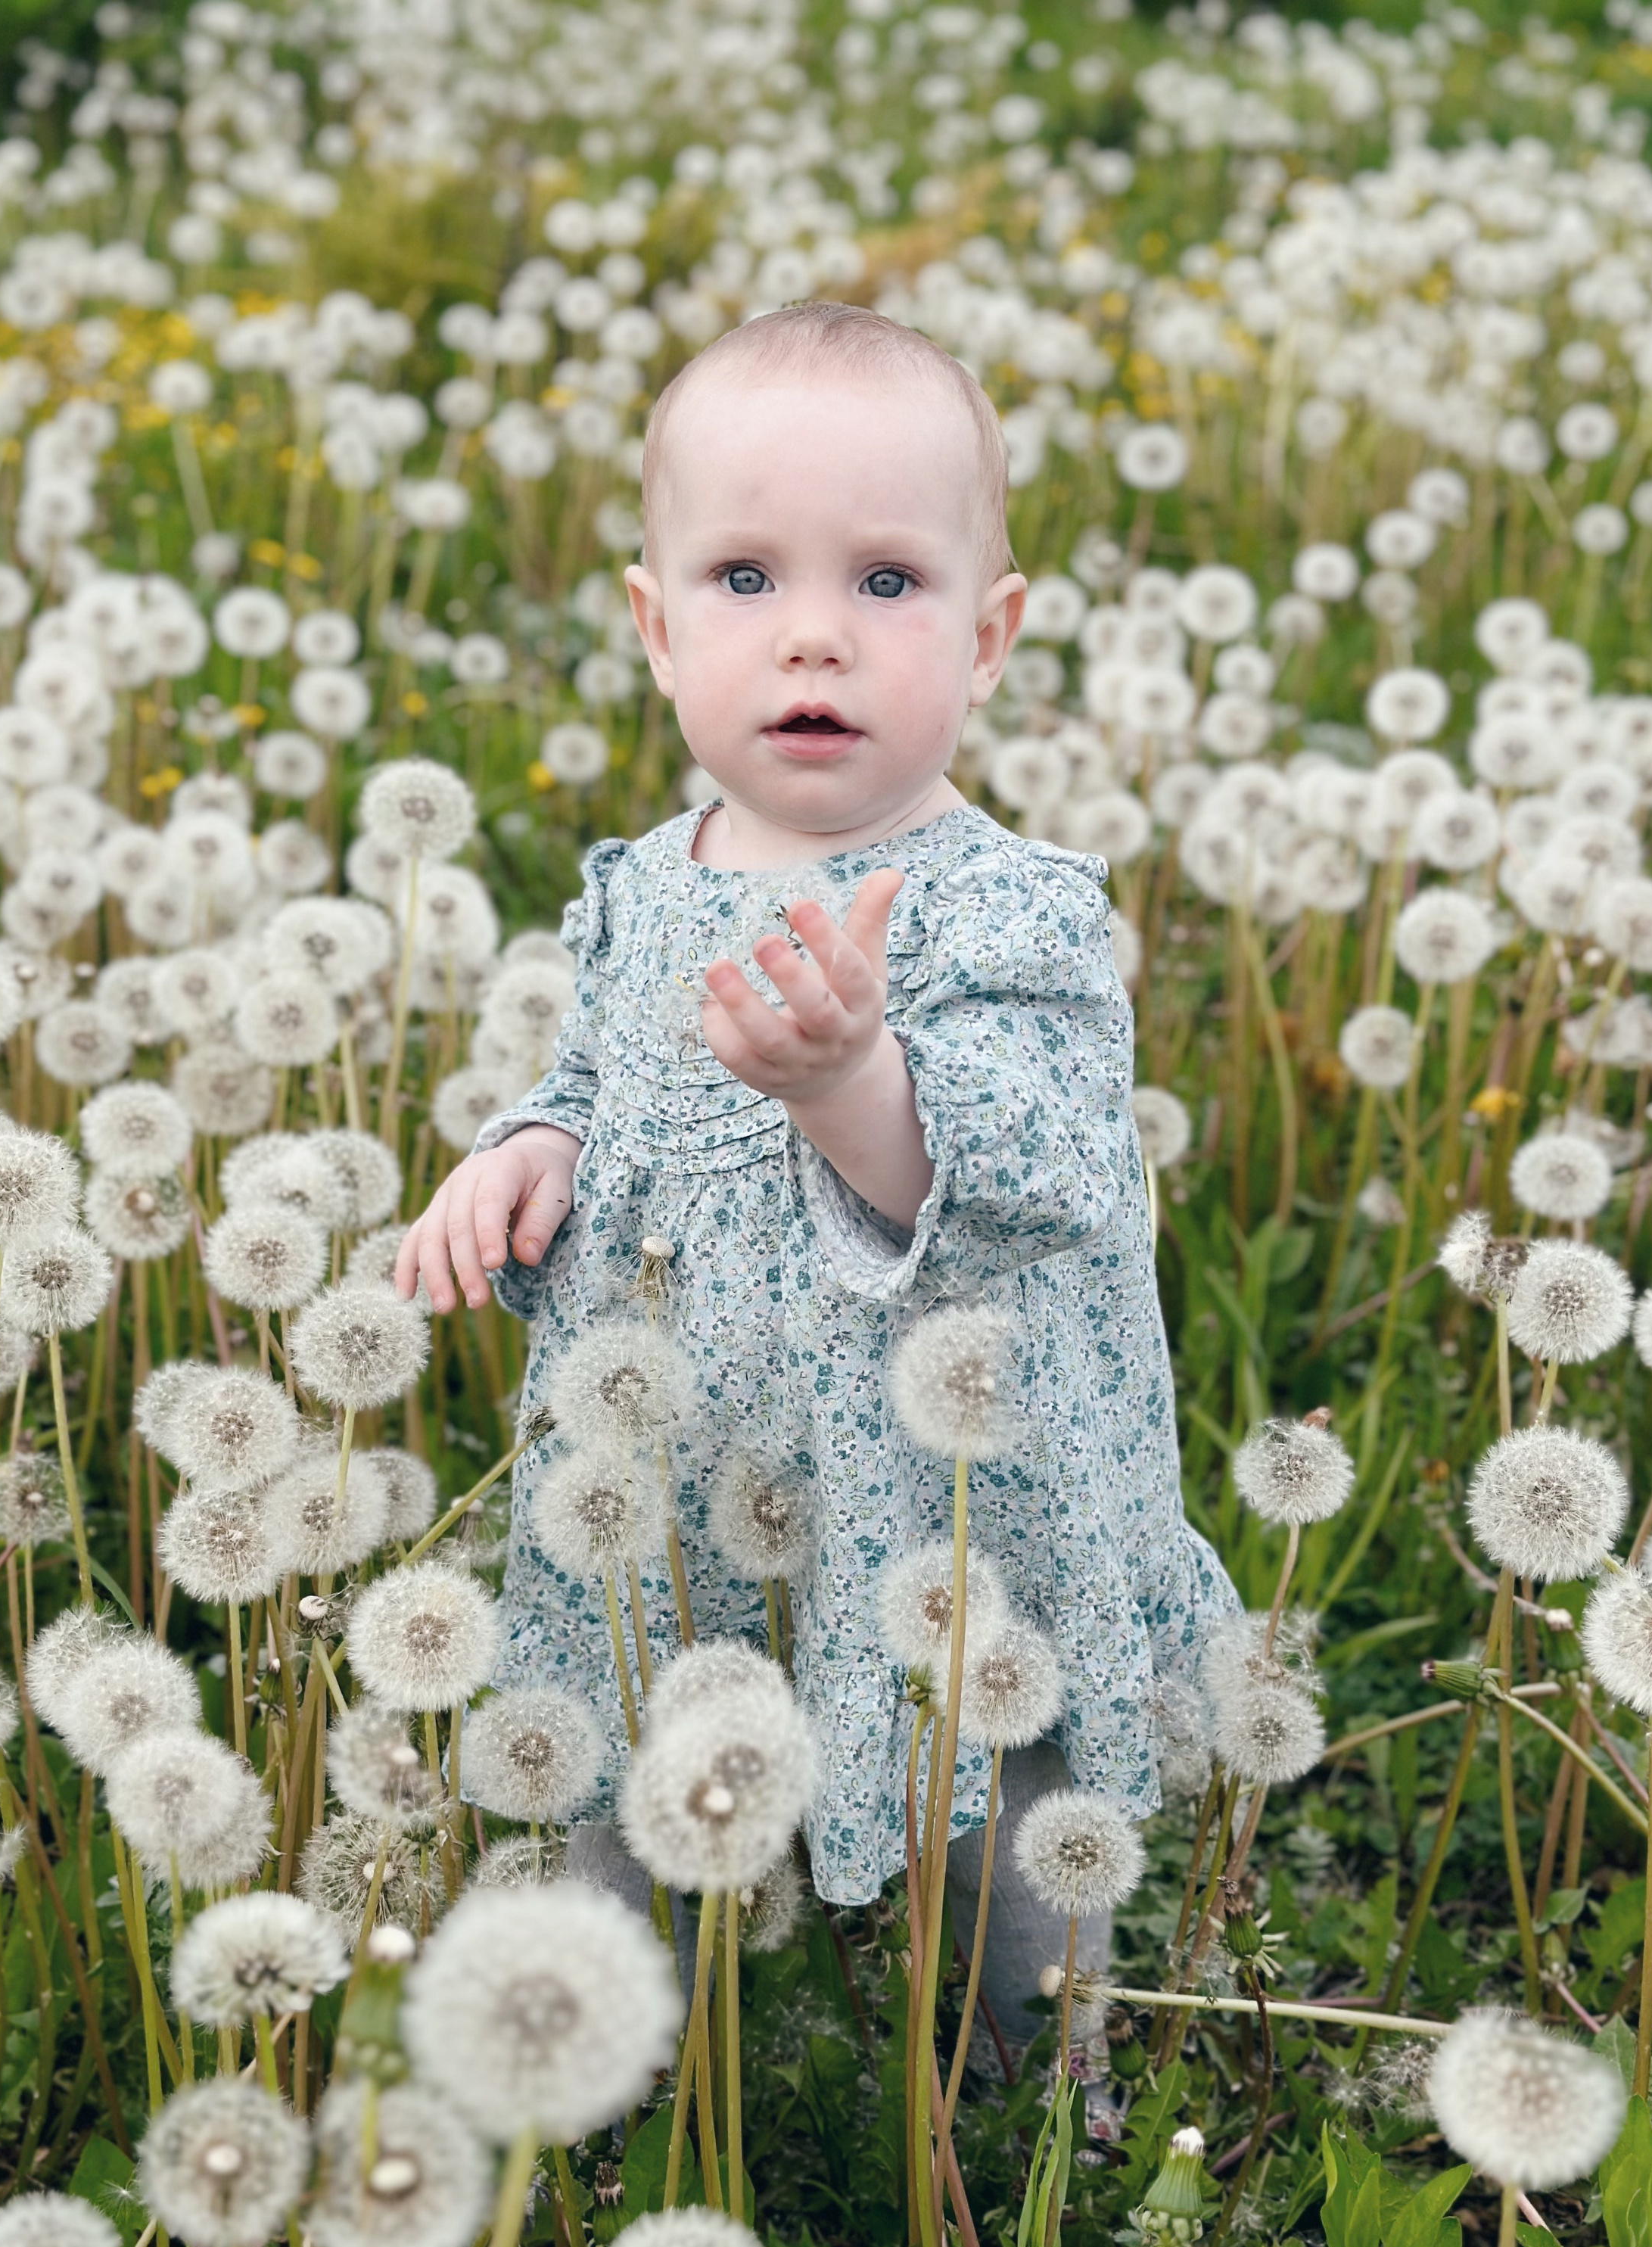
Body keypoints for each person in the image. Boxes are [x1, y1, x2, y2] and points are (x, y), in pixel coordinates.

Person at [397, 300, 1236, 2067]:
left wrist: (853, 1082)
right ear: (653, 629)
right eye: (742, 579)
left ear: (988, 638)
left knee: (1000, 1783)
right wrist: (526, 1153)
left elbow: (1039, 1171)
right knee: (625, 1722)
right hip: (677, 1456)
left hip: (950, 1495)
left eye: (885, 582)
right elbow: (596, 1076)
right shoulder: (642, 880)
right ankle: (578, 2060)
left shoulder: (1013, 908)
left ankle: (1034, 2085)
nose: (811, 635)